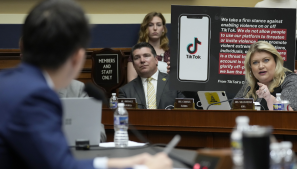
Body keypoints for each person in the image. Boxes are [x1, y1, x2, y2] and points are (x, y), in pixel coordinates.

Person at [0, 1, 172, 169]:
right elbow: (60, 165)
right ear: (77, 57)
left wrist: (116, 163)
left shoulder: (9, 82)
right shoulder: (36, 96)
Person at [234, 41, 297, 110]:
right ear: (250, 67)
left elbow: (290, 115)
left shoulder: (291, 80)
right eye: (255, 62)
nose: (261, 66)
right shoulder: (250, 84)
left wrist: (269, 98)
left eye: (266, 60)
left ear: (276, 62)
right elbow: (233, 109)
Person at [119, 42, 185, 109]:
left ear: (156, 60)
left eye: (146, 56)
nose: (142, 60)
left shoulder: (174, 83)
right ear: (133, 65)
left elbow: (186, 109)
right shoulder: (125, 91)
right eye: (137, 58)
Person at [127, 12, 170, 82]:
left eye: (159, 25)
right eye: (150, 25)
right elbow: (131, 82)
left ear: (163, 29)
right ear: (146, 28)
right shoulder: (136, 53)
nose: (155, 28)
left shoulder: (171, 53)